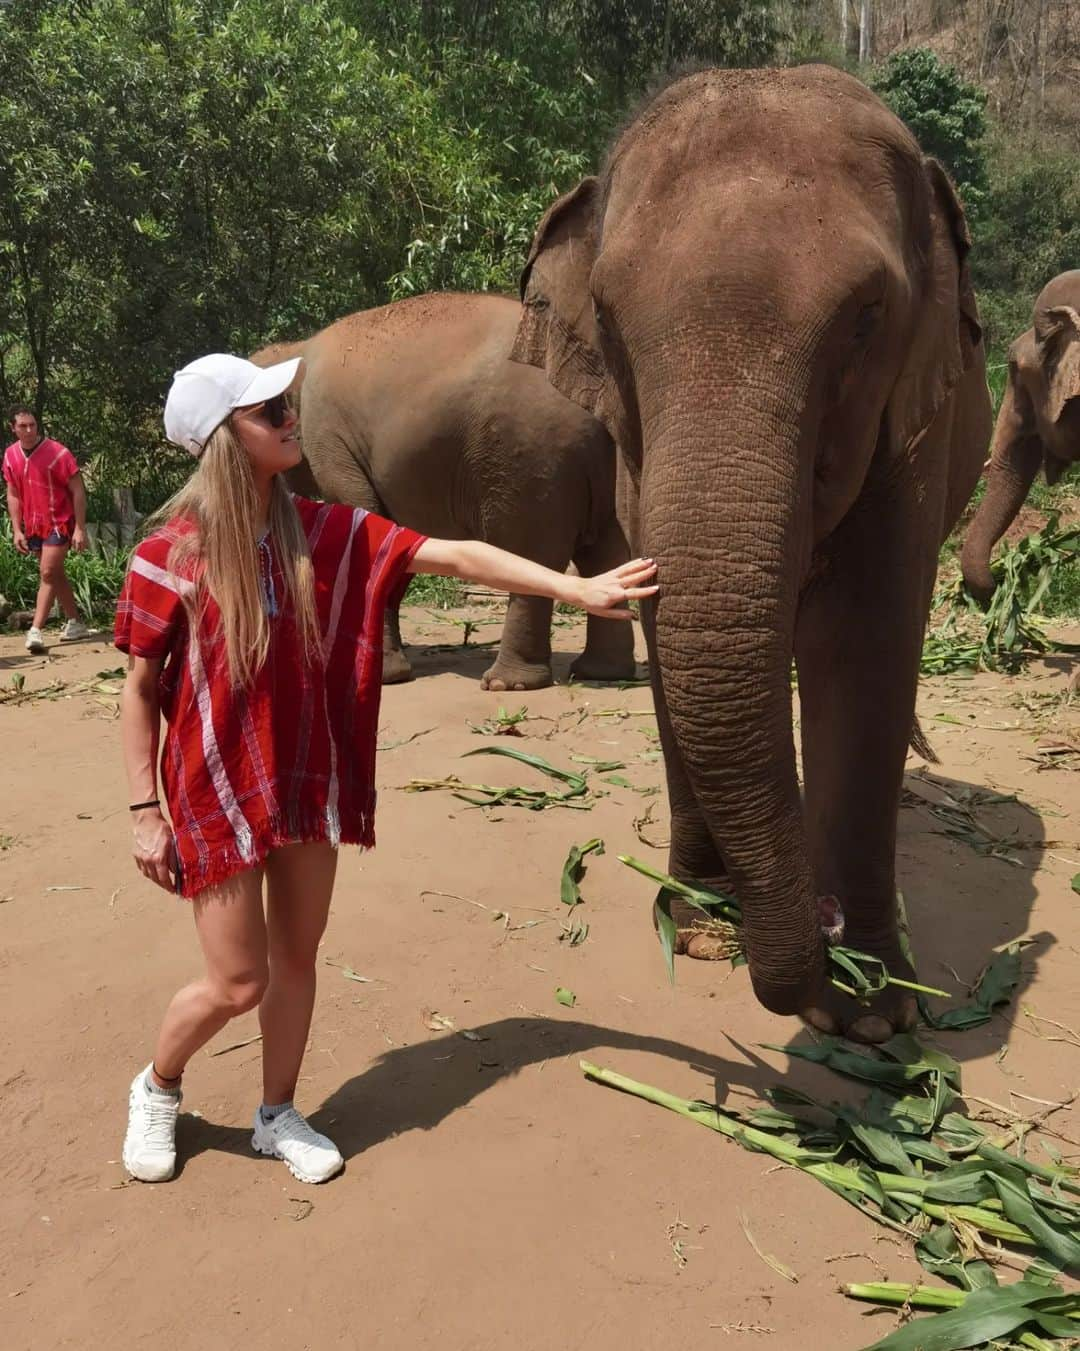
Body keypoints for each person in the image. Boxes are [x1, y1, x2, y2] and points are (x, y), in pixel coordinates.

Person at [117, 353, 657, 1185]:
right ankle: (158, 1085)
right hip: (212, 791)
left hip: (304, 780)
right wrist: (143, 809)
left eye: (284, 402)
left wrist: (572, 588)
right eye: (268, 411)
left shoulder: (328, 535)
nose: (289, 416)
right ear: (225, 439)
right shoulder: (167, 557)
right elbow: (141, 689)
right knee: (237, 981)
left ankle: (277, 1113)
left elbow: (459, 554)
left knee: (298, 957)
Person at [3, 405, 90, 652]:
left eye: (32, 424)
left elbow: (78, 490)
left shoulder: (58, 453)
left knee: (48, 572)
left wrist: (80, 528)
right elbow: (13, 493)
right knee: (54, 573)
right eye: (23, 426)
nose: (29, 430)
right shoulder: (10, 455)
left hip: (59, 521)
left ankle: (36, 630)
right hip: (33, 525)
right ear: (13, 428)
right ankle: (75, 622)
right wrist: (17, 529)